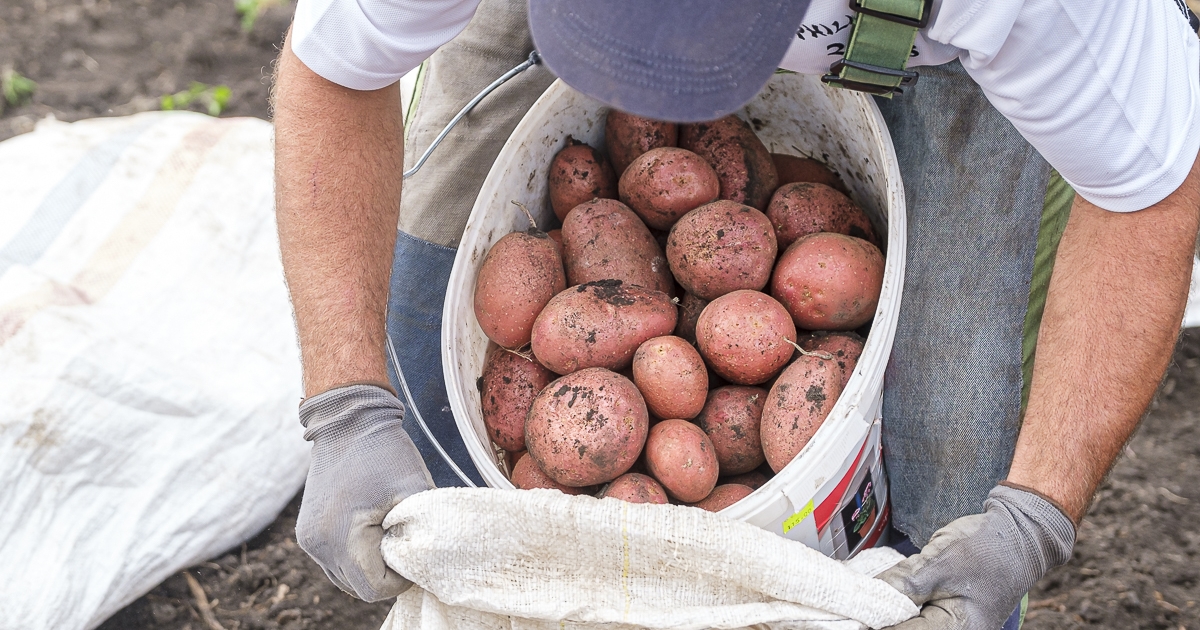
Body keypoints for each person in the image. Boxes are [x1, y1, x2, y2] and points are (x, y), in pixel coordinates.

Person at [271, 0, 1200, 628]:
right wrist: (346, 406)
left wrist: (1036, 513)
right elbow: (334, 72)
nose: (655, 98)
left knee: (950, 482)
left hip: (922, 32)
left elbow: (1149, 190)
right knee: (427, 361)